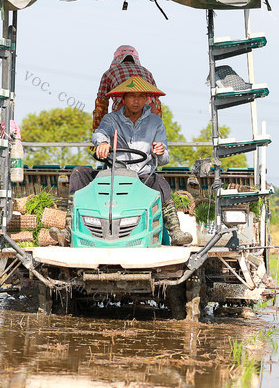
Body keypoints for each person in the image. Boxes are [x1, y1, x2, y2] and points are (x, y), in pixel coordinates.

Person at [68, 76, 192, 246]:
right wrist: (103, 143)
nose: (136, 101)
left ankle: (175, 231)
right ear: (124, 98)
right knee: (78, 173)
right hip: (112, 174)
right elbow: (99, 133)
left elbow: (164, 159)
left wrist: (159, 152)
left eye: (141, 96)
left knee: (161, 182)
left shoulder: (156, 122)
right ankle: (69, 228)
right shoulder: (111, 119)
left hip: (142, 177)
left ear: (147, 99)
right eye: (132, 96)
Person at [92, 45, 162, 132]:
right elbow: (156, 101)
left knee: (122, 140)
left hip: (123, 109)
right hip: (149, 108)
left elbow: (101, 105)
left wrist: (98, 131)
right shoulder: (146, 72)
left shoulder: (109, 73)